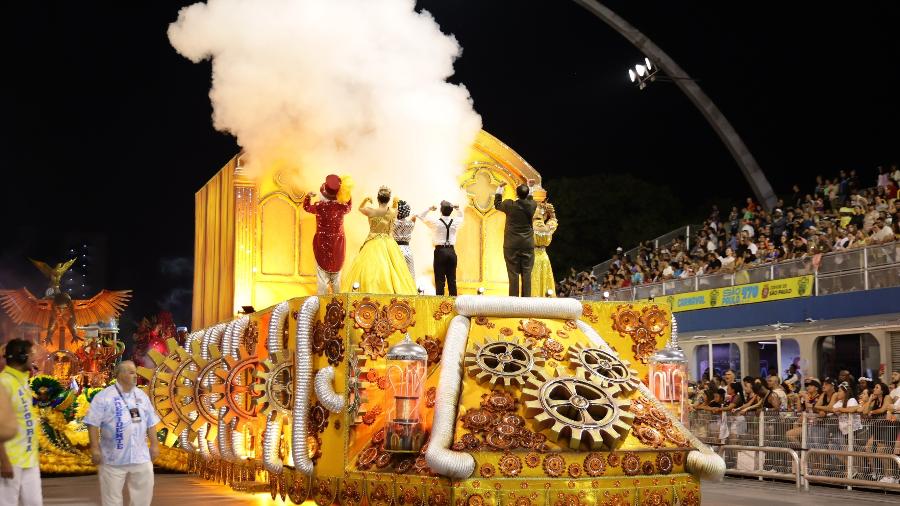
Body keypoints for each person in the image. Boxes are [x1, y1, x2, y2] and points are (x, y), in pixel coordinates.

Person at [84, 361, 161, 506]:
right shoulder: (104, 397)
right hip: (113, 458)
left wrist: (155, 445)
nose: (135, 376)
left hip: (140, 457)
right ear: (120, 375)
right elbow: (92, 423)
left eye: (135, 373)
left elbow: (151, 422)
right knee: (112, 499)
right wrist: (94, 448)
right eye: (131, 372)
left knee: (143, 495)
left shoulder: (142, 396)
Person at [340, 186, 416, 295]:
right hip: (389, 243)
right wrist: (395, 201)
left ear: (377, 198)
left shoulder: (370, 211)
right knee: (392, 271)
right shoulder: (393, 212)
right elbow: (395, 208)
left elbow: (360, 208)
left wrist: (365, 200)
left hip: (372, 243)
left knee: (369, 270)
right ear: (388, 199)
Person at [0, 339, 41, 506]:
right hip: (10, 460)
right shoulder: (4, 383)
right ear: (22, 357)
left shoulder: (22, 381)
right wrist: (4, 461)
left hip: (29, 459)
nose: (34, 359)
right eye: (31, 355)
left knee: (34, 503)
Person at [303, 174, 353, 294]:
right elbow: (349, 207)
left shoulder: (319, 207)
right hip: (338, 247)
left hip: (322, 246)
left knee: (322, 280)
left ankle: (322, 306)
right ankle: (337, 306)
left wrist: (308, 197)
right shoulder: (341, 208)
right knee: (336, 280)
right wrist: (347, 194)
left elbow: (306, 207)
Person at [495, 179, 537, 296]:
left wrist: (500, 189)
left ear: (516, 193)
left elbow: (497, 204)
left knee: (513, 273)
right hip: (527, 244)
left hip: (511, 244)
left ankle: (513, 304)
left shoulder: (509, 205)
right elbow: (530, 199)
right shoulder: (532, 205)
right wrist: (530, 187)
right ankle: (526, 304)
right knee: (527, 273)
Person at [418, 200, 463, 296]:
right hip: (451, 251)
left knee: (439, 280)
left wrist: (429, 209)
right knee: (452, 280)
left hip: (440, 251)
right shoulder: (455, 222)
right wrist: (458, 208)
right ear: (451, 211)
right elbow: (461, 216)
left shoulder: (436, 222)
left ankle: (440, 304)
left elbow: (421, 216)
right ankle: (453, 304)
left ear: (441, 210)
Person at [531, 202, 558, 296]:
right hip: (544, 257)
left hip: (531, 256)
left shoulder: (529, 226)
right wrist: (552, 214)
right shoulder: (548, 227)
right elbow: (554, 221)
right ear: (545, 216)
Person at [392, 200, 417, 278]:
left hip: (395, 249)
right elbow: (414, 217)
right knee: (409, 275)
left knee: (396, 275)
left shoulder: (393, 223)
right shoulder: (410, 224)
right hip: (407, 250)